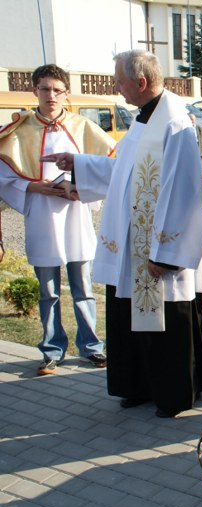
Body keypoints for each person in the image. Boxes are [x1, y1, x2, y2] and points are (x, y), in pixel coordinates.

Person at [43, 50, 202, 418]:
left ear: (140, 82)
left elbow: (183, 191)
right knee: (130, 317)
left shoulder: (174, 123)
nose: (116, 88)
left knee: (166, 320)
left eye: (119, 81)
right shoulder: (143, 120)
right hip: (133, 246)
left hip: (158, 250)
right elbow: (124, 171)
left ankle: (172, 394)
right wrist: (79, 164)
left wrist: (164, 254)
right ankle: (139, 385)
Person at [0, 64, 115, 375]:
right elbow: (4, 176)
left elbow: (106, 167)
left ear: (66, 93)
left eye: (57, 90)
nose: (51, 95)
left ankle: (91, 347)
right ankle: (52, 349)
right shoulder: (19, 130)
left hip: (75, 216)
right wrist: (32, 187)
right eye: (44, 89)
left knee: (83, 287)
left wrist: (81, 189)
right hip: (41, 215)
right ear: (35, 91)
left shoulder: (82, 127)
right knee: (48, 290)